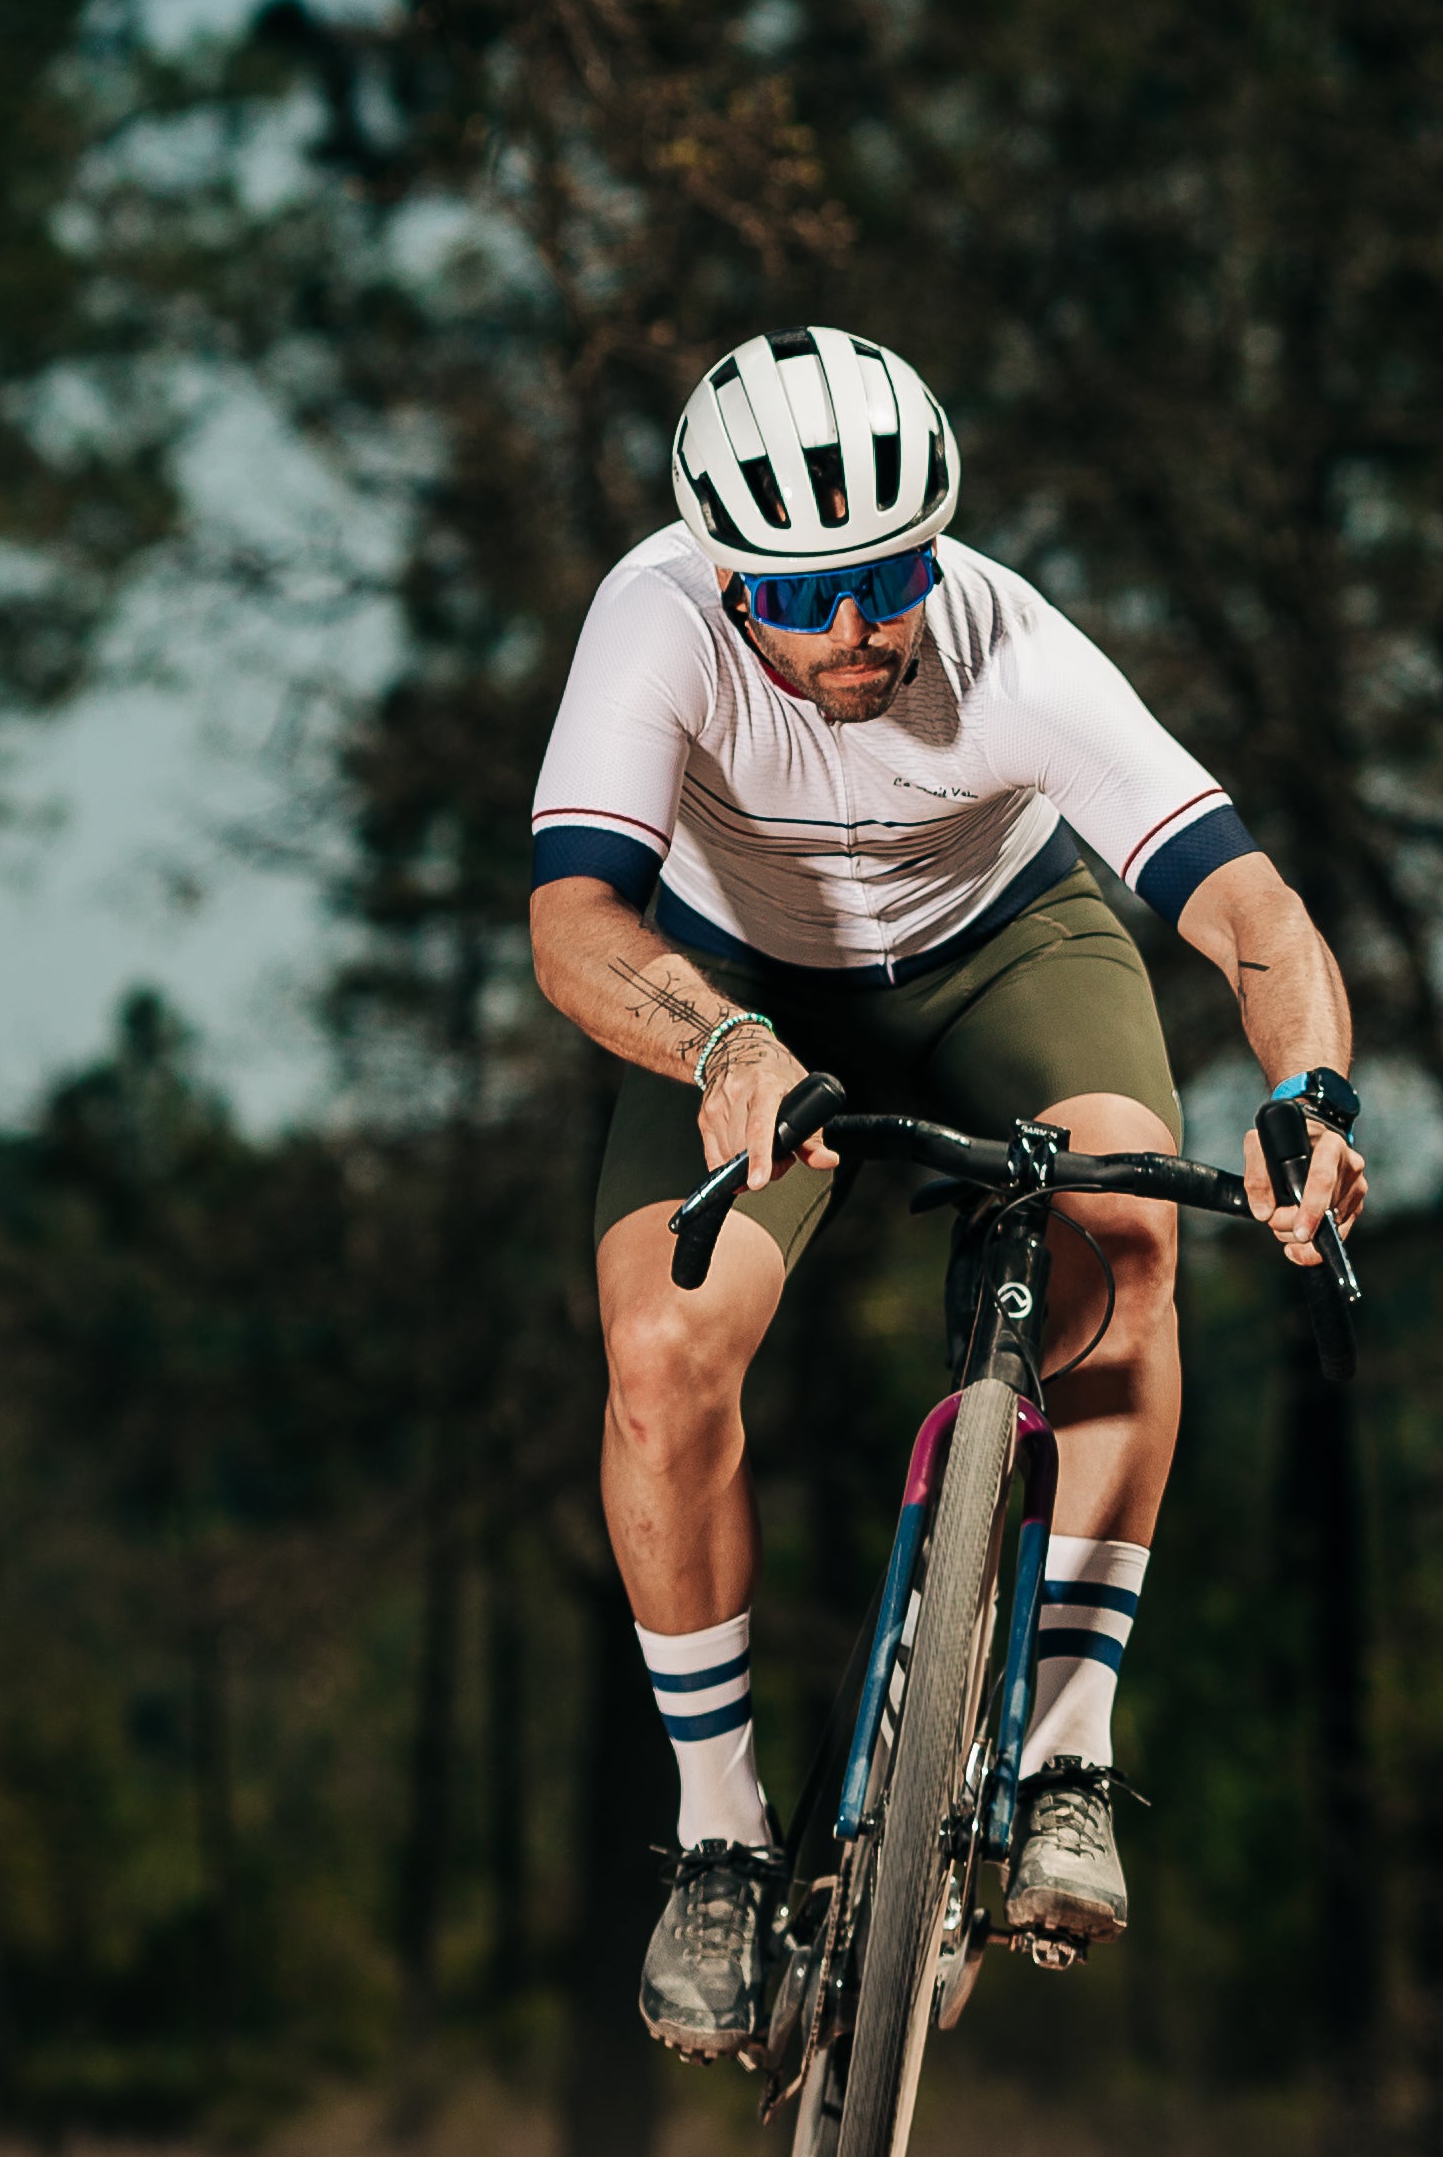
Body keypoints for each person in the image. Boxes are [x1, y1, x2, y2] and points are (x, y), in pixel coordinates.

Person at [524, 325, 1366, 2061]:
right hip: (745, 988)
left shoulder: (1014, 650)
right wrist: (723, 1049)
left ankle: (1064, 1751)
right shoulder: (654, 617)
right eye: (800, 596)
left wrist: (1309, 1099)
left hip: (1003, 950)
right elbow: (575, 925)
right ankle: (718, 1843)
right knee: (664, 1357)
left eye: (890, 578)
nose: (853, 630)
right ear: (721, 574)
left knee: (1130, 1238)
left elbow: (1258, 921)